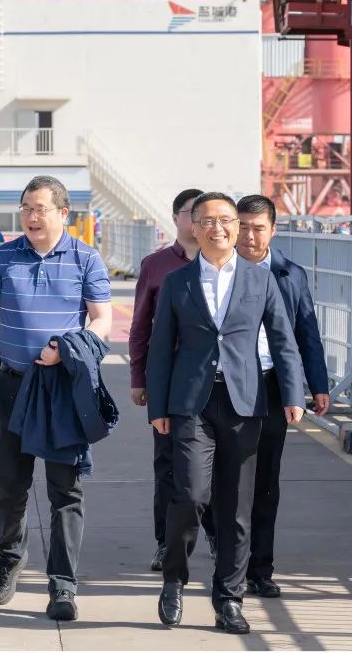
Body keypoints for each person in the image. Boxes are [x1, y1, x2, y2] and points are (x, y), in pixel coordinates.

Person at [147, 192, 305, 635]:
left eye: (226, 220)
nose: (218, 228)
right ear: (193, 228)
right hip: (191, 403)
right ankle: (174, 580)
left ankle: (229, 600)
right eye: (208, 221)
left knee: (236, 508)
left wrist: (294, 394)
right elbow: (161, 348)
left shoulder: (261, 279)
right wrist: (158, 406)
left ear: (236, 228)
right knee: (190, 495)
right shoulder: (177, 281)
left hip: (244, 403)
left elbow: (283, 339)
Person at [0, 175, 113, 622]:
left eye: (40, 209)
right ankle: (10, 557)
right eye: (26, 208)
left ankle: (63, 584)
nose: (31, 217)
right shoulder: (1, 257)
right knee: (7, 485)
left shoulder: (86, 258)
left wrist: (67, 349)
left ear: (63, 213)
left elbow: (102, 321)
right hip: (12, 387)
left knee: (66, 490)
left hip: (62, 390)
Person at [235, 194, 330, 598]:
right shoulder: (219, 271)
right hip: (227, 386)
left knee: (266, 481)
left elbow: (307, 331)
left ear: (273, 230)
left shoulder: (290, 275)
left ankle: (260, 569)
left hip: (273, 385)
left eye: (258, 228)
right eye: (242, 226)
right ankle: (230, 558)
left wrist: (317, 384)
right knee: (224, 480)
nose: (249, 236)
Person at [129, 188, 218, 571]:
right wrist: (138, 376)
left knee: (218, 466)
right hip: (170, 380)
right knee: (168, 464)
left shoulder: (228, 264)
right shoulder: (156, 265)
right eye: (191, 212)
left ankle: (217, 537)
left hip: (217, 381)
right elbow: (140, 326)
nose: (200, 221)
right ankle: (165, 543)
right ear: (178, 218)